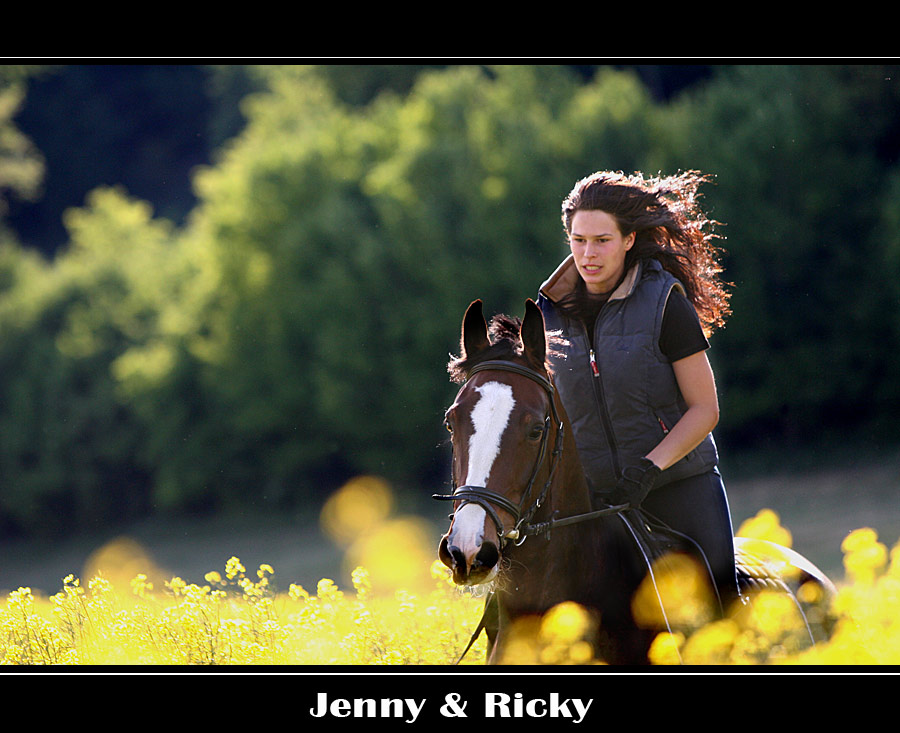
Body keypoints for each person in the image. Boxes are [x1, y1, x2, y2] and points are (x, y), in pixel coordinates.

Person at [536, 170, 740, 613]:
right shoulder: (546, 316)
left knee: (722, 613)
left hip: (678, 485)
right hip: (591, 504)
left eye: (602, 240)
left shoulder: (665, 301)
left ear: (629, 240)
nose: (588, 254)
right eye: (578, 239)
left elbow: (704, 409)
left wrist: (648, 469)